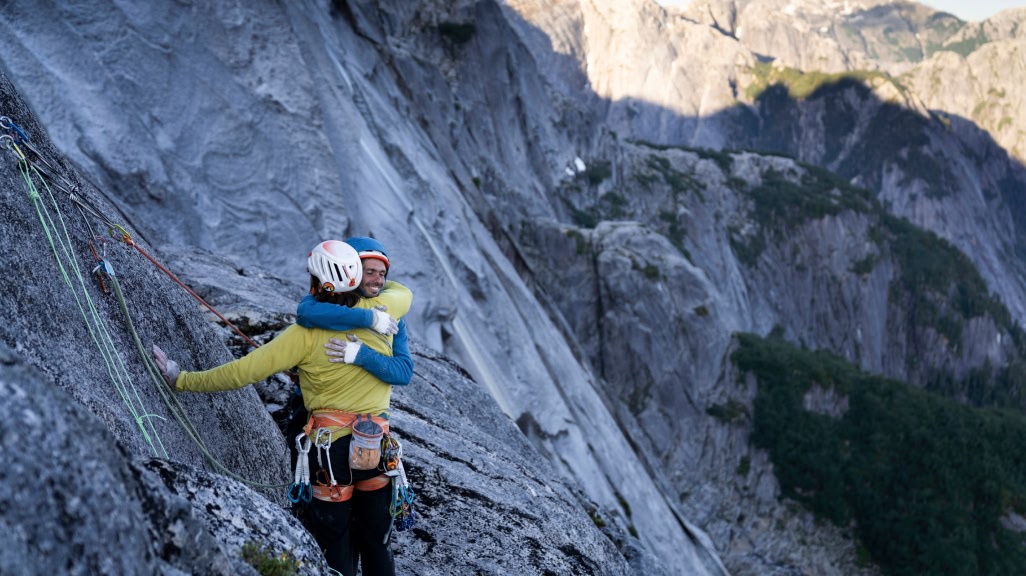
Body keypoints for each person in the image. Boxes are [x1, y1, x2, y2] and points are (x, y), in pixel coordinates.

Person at [152, 238, 413, 576]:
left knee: (335, 545)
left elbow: (240, 373)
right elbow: (399, 303)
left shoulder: (302, 334)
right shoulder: (387, 321)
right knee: (377, 545)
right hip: (376, 447)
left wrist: (181, 378)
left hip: (329, 453)